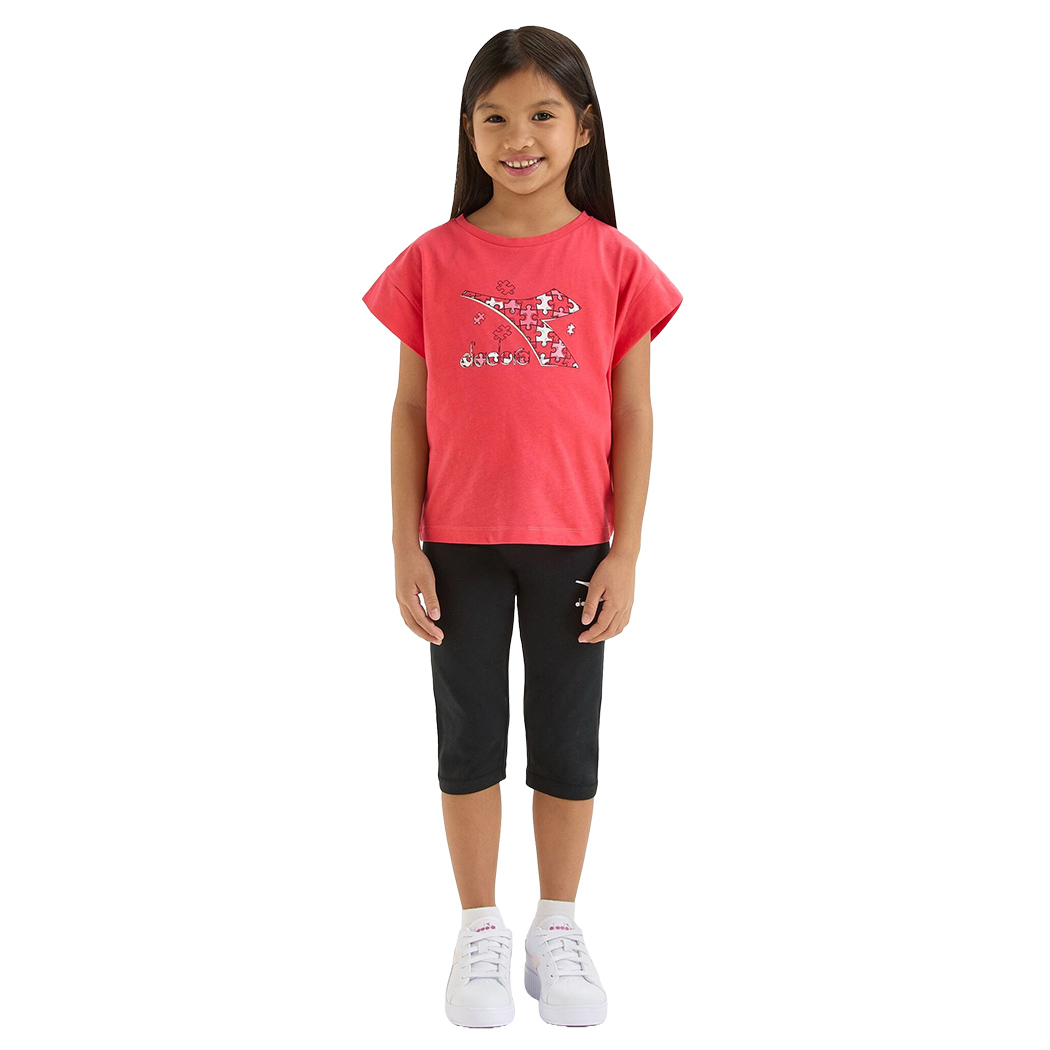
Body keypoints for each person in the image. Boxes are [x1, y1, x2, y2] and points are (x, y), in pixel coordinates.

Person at [362, 25, 683, 1029]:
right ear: (468, 130)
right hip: (458, 542)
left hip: (574, 541)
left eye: (542, 114)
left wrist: (627, 551)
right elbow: (410, 408)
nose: (518, 137)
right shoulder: (432, 260)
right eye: (494, 117)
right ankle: (478, 930)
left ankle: (557, 923)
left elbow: (634, 414)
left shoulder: (616, 263)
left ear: (583, 128)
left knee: (567, 740)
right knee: (468, 737)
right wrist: (404, 542)